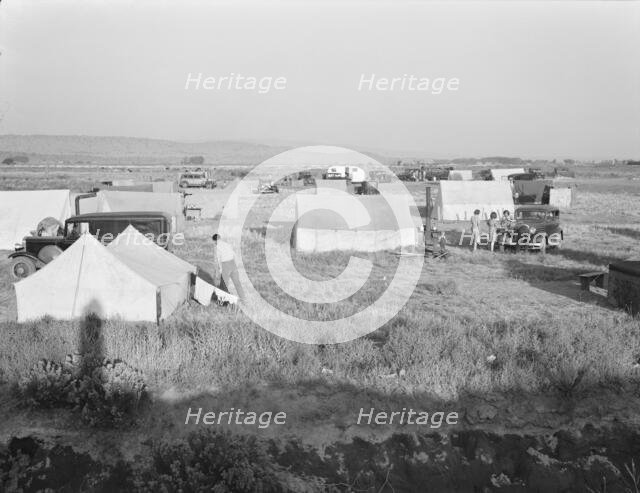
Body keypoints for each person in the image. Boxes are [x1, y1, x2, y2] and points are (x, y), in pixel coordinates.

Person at [212, 233, 245, 301]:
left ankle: (223, 301)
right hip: (233, 263)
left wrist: (218, 272)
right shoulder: (227, 244)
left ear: (214, 241)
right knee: (237, 283)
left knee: (224, 285)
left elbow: (217, 261)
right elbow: (234, 255)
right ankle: (243, 298)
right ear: (220, 238)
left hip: (225, 265)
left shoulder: (217, 247)